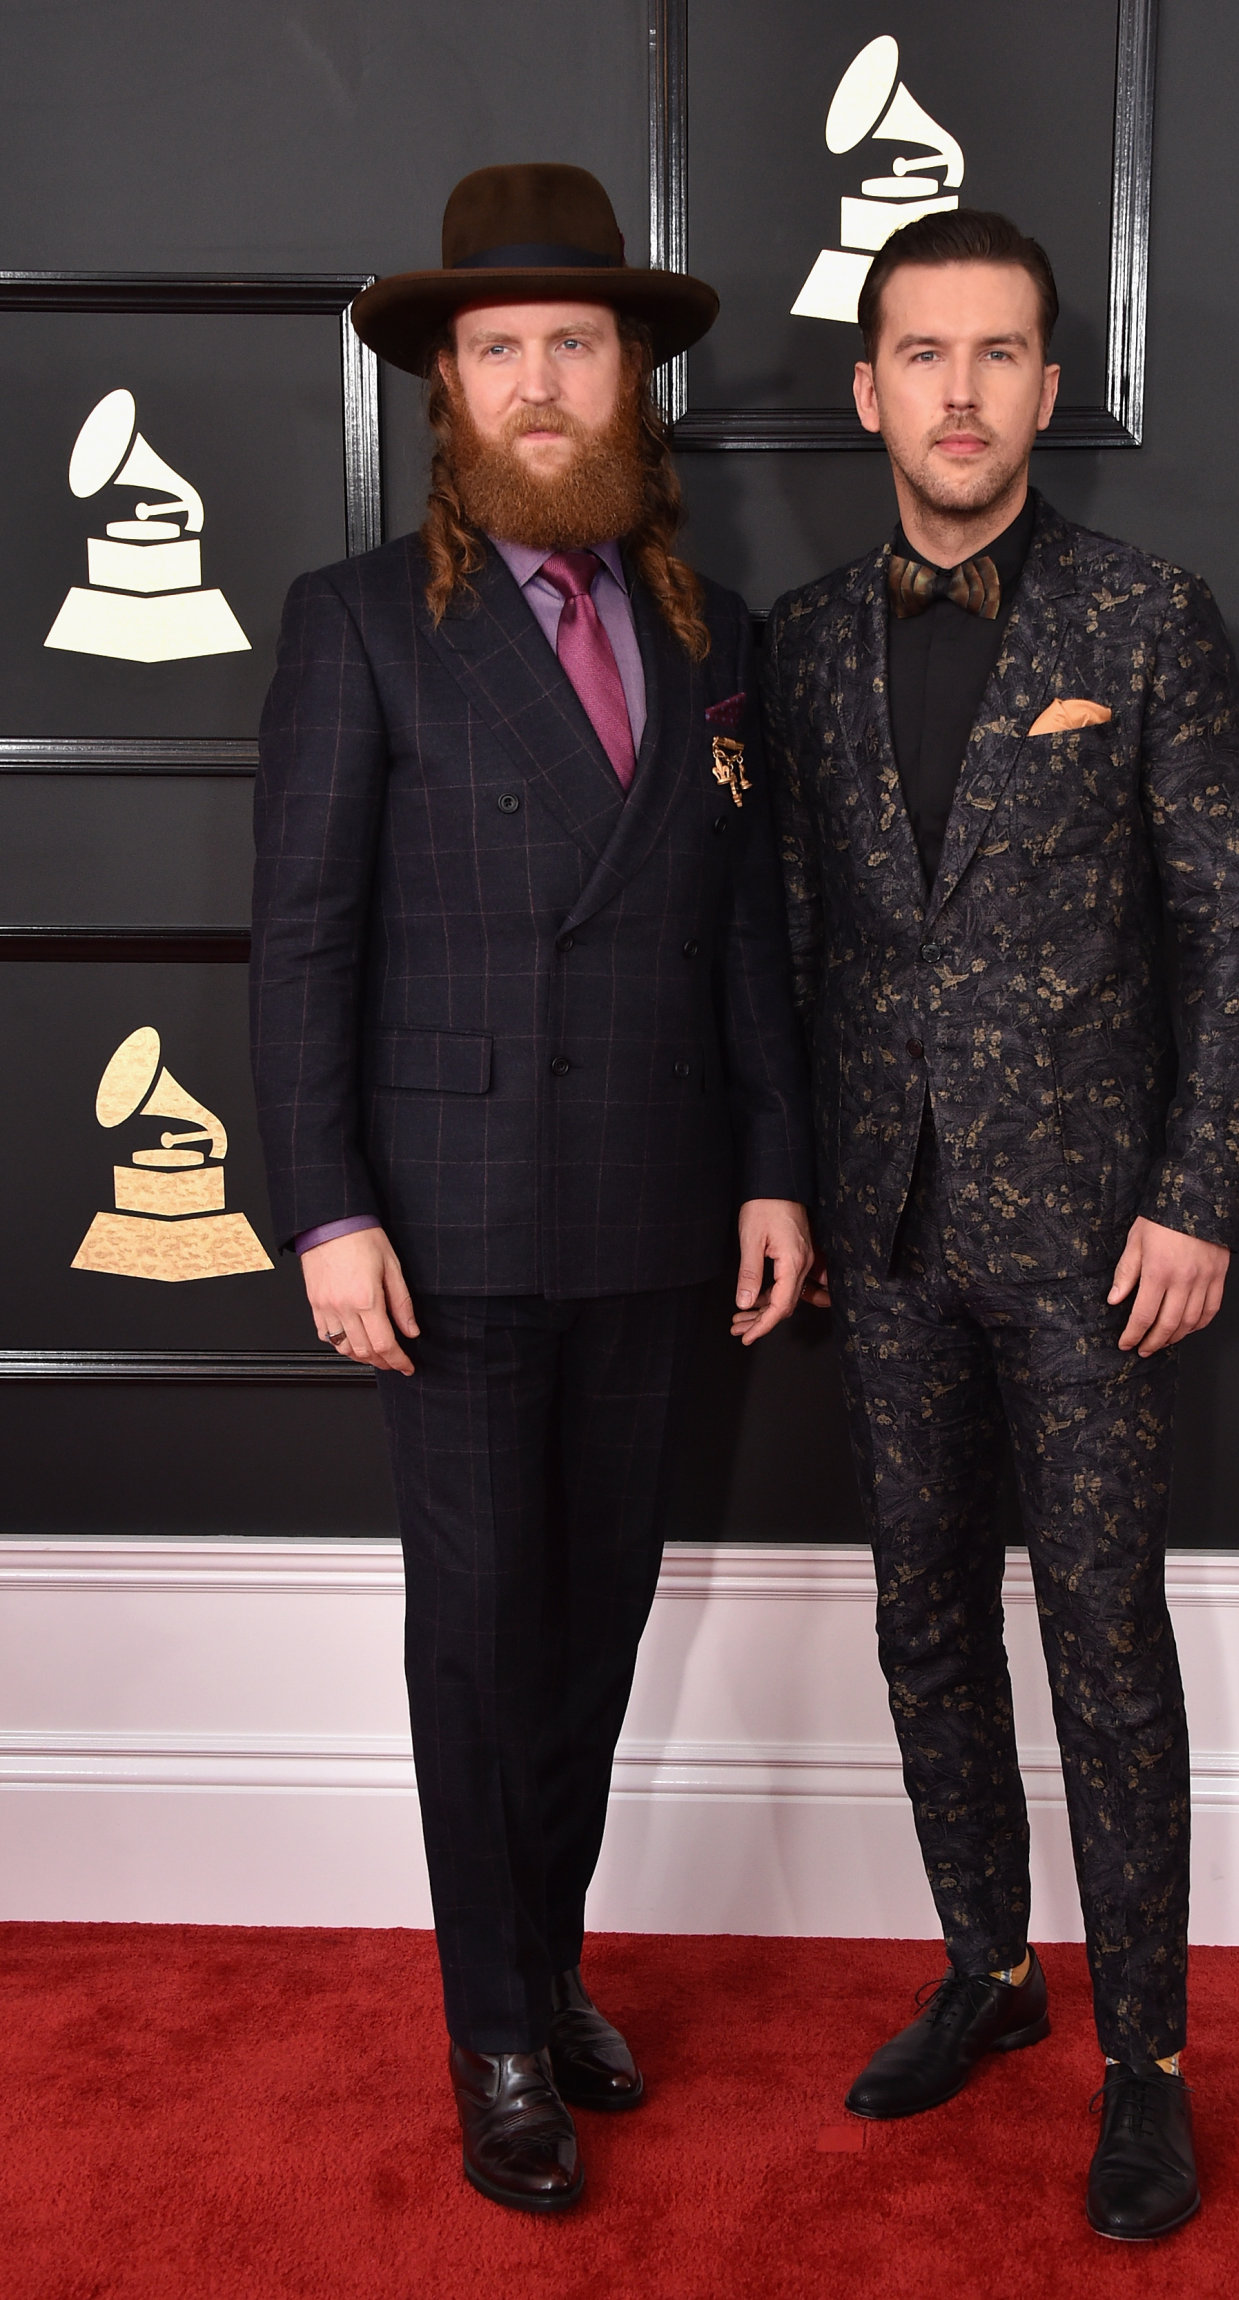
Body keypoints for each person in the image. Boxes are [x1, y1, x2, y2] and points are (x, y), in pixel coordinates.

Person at [250, 163, 814, 2217]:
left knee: (592, 1627)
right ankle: (494, 2030)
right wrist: (324, 1208)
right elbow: (302, 943)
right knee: (480, 1639)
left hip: (659, 1218)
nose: (542, 380)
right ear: (449, 389)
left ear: (635, 377)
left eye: (578, 342)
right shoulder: (353, 626)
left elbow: (741, 936)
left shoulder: (715, 631)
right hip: (451, 1219)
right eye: (503, 348)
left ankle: (546, 1963)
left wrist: (769, 1165)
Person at [761, 209, 1239, 2240]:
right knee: (915, 1618)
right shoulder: (798, 644)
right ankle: (985, 1966)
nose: (958, 391)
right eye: (922, 353)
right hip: (877, 1228)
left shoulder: (1144, 617)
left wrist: (1191, 1191)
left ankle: (1142, 2057)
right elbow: (792, 939)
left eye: (996, 355)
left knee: (1098, 1641)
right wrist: (793, 1186)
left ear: (1047, 388)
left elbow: (1230, 931)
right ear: (868, 383)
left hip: (1088, 1245)